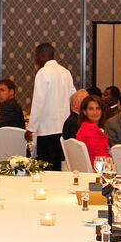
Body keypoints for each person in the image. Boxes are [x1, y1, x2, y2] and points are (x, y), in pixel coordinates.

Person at [27, 42, 76, 171]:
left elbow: (38, 103)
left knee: (46, 169)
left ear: (42, 55)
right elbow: (73, 97)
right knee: (58, 168)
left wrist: (31, 128)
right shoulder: (66, 72)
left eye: (36, 56)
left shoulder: (43, 73)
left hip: (47, 130)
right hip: (63, 128)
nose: (36, 59)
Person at [74, 94, 110, 164]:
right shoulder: (89, 129)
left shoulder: (85, 126)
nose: (95, 112)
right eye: (91, 109)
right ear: (85, 112)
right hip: (97, 166)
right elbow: (99, 156)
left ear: (102, 111)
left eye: (98, 108)